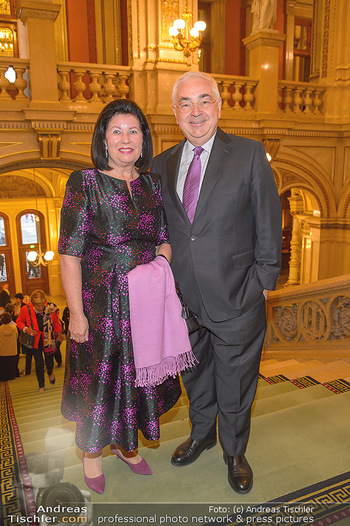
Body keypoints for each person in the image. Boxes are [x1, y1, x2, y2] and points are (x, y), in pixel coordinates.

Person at [152, 71, 282, 494]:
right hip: (183, 298)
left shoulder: (248, 154)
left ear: (219, 105)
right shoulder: (161, 163)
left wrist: (263, 281)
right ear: (175, 113)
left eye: (204, 100)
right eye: (186, 104)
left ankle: (234, 451)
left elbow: (268, 221)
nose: (196, 111)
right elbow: (166, 231)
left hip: (237, 295)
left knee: (236, 380)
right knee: (195, 378)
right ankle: (202, 433)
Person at [58, 98, 182, 495]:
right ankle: (92, 455)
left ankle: (129, 448)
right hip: (101, 308)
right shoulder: (85, 183)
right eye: (117, 131)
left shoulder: (152, 184)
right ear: (104, 140)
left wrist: (159, 265)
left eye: (134, 131)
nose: (126, 139)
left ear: (144, 141)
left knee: (138, 378)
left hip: (145, 305)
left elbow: (163, 237)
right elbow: (70, 253)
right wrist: (76, 313)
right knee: (100, 383)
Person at [16, 290, 63, 392]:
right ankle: (41, 385)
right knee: (39, 363)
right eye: (38, 306)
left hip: (48, 339)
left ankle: (50, 372)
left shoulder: (51, 307)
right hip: (35, 341)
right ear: (32, 304)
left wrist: (59, 333)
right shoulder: (26, 309)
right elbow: (19, 322)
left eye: (42, 305)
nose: (41, 308)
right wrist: (26, 329)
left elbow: (56, 322)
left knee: (49, 362)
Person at [0, 312, 18, 381]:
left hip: (2, 350)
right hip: (12, 350)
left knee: (3, 367)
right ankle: (11, 376)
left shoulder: (0, 329)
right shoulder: (14, 328)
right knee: (11, 366)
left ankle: (4, 377)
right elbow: (16, 337)